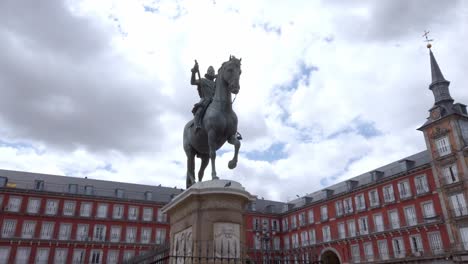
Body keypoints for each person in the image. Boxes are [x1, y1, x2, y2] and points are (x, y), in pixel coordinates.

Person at [190, 61, 216, 132]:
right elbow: (193, 82)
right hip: (205, 99)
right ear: (207, 72)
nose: (211, 72)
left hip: (215, 100)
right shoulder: (203, 80)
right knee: (199, 111)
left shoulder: (216, 83)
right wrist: (194, 72)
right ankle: (197, 124)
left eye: (213, 71)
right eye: (210, 71)